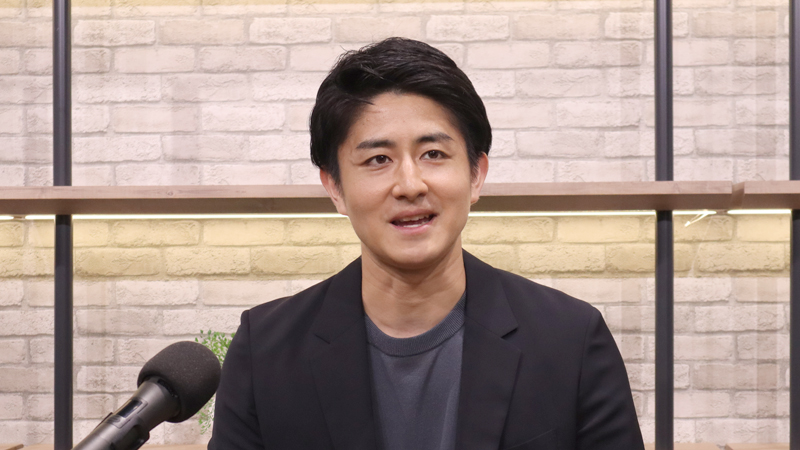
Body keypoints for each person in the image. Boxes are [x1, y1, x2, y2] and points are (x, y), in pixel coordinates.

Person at [209, 37, 645, 450]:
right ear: (335, 188)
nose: (410, 185)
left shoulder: (571, 340)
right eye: (378, 159)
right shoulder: (265, 351)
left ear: (476, 174)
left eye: (433, 154)